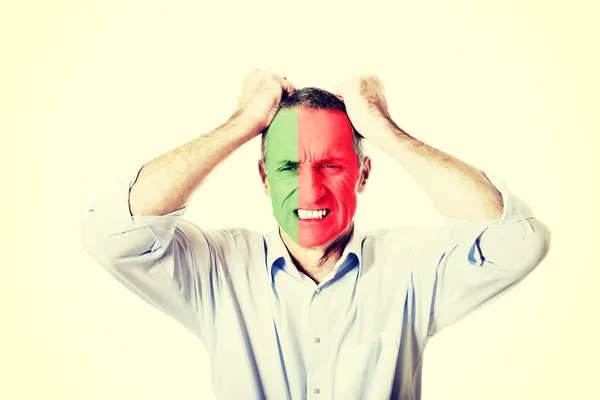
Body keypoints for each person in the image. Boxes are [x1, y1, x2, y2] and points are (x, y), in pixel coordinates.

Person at [81, 69, 551, 399]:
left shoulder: (409, 268)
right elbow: (111, 232)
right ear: (264, 178)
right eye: (289, 167)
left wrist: (381, 127)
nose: (309, 189)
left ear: (364, 175)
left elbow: (518, 243)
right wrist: (241, 124)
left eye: (330, 165)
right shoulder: (216, 269)